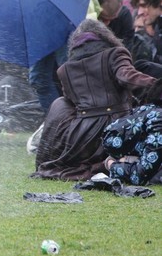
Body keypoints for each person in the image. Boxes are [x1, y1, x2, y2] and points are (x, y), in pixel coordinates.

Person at [32, 19, 156, 181]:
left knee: (59, 103)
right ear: (105, 36)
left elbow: (71, 103)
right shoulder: (115, 54)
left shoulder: (65, 70)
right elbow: (127, 77)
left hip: (81, 140)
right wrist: (156, 85)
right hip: (117, 131)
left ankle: (106, 164)